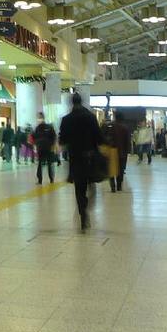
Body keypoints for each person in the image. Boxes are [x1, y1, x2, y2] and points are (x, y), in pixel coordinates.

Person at [60, 92, 102, 232]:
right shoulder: (90, 117)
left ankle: (82, 213)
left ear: (72, 102)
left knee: (79, 189)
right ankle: (86, 209)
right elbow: (99, 137)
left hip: (75, 158)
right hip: (90, 158)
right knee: (91, 186)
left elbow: (62, 140)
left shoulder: (66, 119)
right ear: (81, 101)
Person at [107, 112, 131, 192]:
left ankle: (112, 186)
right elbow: (128, 141)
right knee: (120, 169)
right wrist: (128, 151)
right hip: (122, 152)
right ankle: (119, 186)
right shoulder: (125, 128)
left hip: (111, 150)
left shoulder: (109, 126)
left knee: (111, 169)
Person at [33, 112, 57, 185]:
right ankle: (40, 180)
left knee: (49, 164)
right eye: (38, 118)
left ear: (43, 118)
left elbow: (54, 137)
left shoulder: (49, 127)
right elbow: (34, 137)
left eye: (40, 118)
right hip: (41, 149)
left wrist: (53, 146)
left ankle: (51, 179)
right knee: (40, 164)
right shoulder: (37, 128)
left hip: (48, 148)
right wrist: (35, 146)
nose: (39, 119)